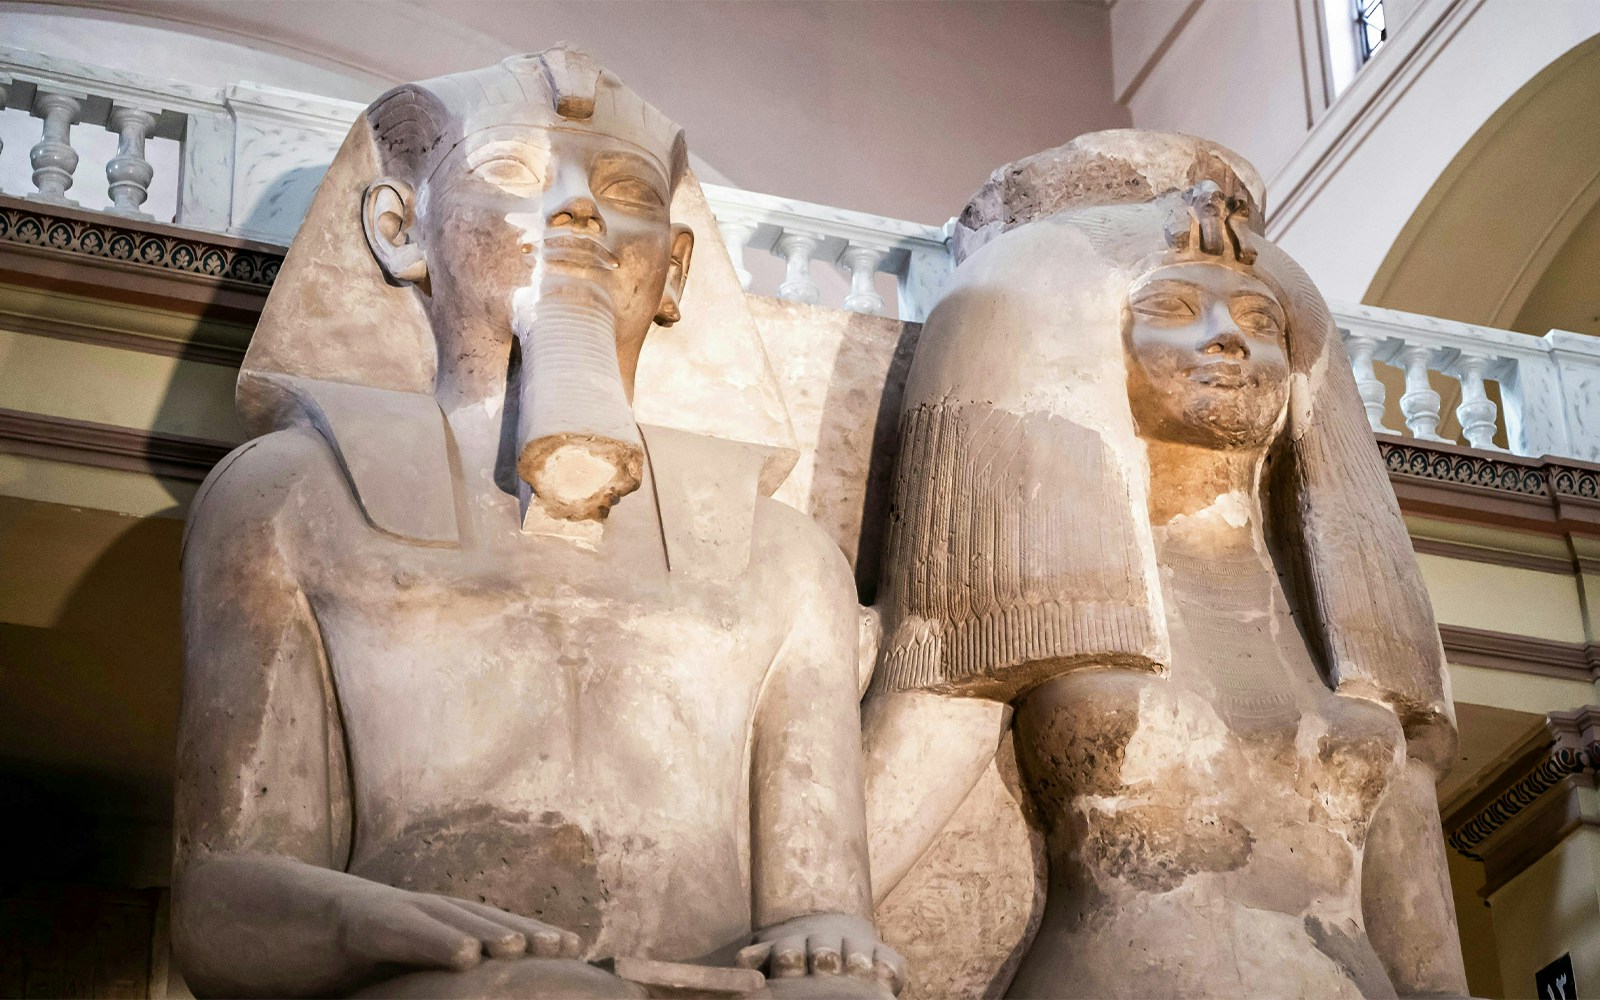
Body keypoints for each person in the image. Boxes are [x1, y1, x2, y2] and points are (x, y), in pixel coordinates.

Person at [174, 48, 901, 999]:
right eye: (511, 172)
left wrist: (832, 939)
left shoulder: (783, 557)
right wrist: (362, 920)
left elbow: (820, 905)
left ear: (673, 267)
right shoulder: (290, 498)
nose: (577, 211)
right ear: (402, 231)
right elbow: (221, 904)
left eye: (623, 189)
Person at [863, 132, 1466, 999]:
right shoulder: (1029, 601)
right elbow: (903, 783)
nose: (1229, 339)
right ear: (1091, 346)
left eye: (1261, 322)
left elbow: (1427, 962)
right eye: (1176, 307)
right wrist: (815, 919)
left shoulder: (1350, 649)